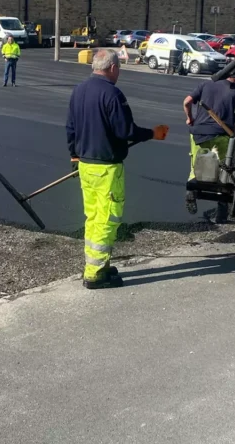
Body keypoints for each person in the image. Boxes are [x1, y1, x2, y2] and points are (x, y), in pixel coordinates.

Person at [66, 49, 169, 289]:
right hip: (107, 169)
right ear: (112, 68)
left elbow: (70, 128)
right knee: (107, 219)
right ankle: (95, 274)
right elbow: (125, 131)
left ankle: (97, 264)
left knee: (93, 217)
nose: (119, 72)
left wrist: (74, 155)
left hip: (85, 165)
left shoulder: (78, 91)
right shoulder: (112, 94)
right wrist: (152, 133)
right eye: (119, 68)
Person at [183, 73, 235, 216]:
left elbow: (187, 102)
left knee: (195, 166)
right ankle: (222, 207)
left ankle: (191, 192)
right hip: (221, 136)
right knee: (224, 170)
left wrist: (189, 118)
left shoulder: (205, 84)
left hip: (198, 133)